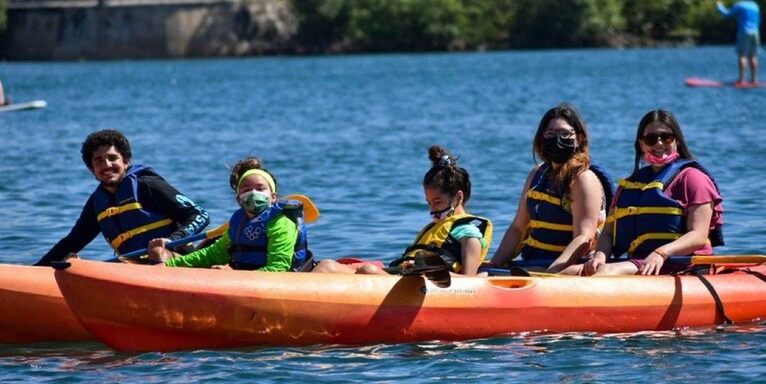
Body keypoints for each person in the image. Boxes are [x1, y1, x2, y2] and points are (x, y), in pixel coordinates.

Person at [580, 109, 724, 276]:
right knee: (573, 270)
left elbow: (698, 236)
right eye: (651, 139)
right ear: (642, 144)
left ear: (676, 140)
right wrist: (599, 257)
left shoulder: (694, 179)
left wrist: (661, 253)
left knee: (607, 272)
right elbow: (608, 233)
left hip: (683, 264)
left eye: (666, 137)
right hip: (641, 263)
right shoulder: (629, 185)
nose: (659, 143)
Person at [35, 129, 210, 266]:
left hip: (177, 261)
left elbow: (200, 215)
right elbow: (71, 242)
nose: (107, 165)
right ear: (91, 169)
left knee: (157, 253)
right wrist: (34, 271)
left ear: (126, 162)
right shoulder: (97, 204)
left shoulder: (147, 185)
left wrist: (172, 240)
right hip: (134, 269)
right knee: (70, 261)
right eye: (99, 161)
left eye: (113, 158)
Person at [313, 145, 493, 276]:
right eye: (429, 203)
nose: (432, 210)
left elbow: (469, 283)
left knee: (367, 271)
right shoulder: (433, 229)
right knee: (327, 265)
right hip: (402, 278)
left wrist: (426, 271)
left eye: (437, 202)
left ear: (458, 197)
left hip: (423, 288)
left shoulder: (469, 234)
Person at [487, 103, 614, 273]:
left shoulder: (583, 179)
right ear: (541, 138)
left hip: (567, 267)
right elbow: (518, 227)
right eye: (550, 133)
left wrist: (552, 273)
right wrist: (493, 264)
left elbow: (584, 237)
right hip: (532, 263)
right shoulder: (537, 174)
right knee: (482, 272)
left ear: (580, 137)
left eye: (565, 133)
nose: (557, 139)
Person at [153, 157, 313, 272]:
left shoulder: (280, 222)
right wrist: (170, 265)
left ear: (273, 197)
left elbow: (278, 268)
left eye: (260, 188)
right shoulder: (238, 223)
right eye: (246, 189)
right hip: (245, 279)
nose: (253, 193)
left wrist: (233, 276)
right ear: (239, 199)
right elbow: (212, 255)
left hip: (279, 282)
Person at [717, 0, 761, 84]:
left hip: (744, 32)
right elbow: (759, 21)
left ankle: (742, 80)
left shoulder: (739, 5)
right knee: (753, 56)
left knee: (743, 55)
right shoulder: (756, 6)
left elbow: (727, 14)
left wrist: (720, 6)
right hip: (755, 32)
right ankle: (754, 80)